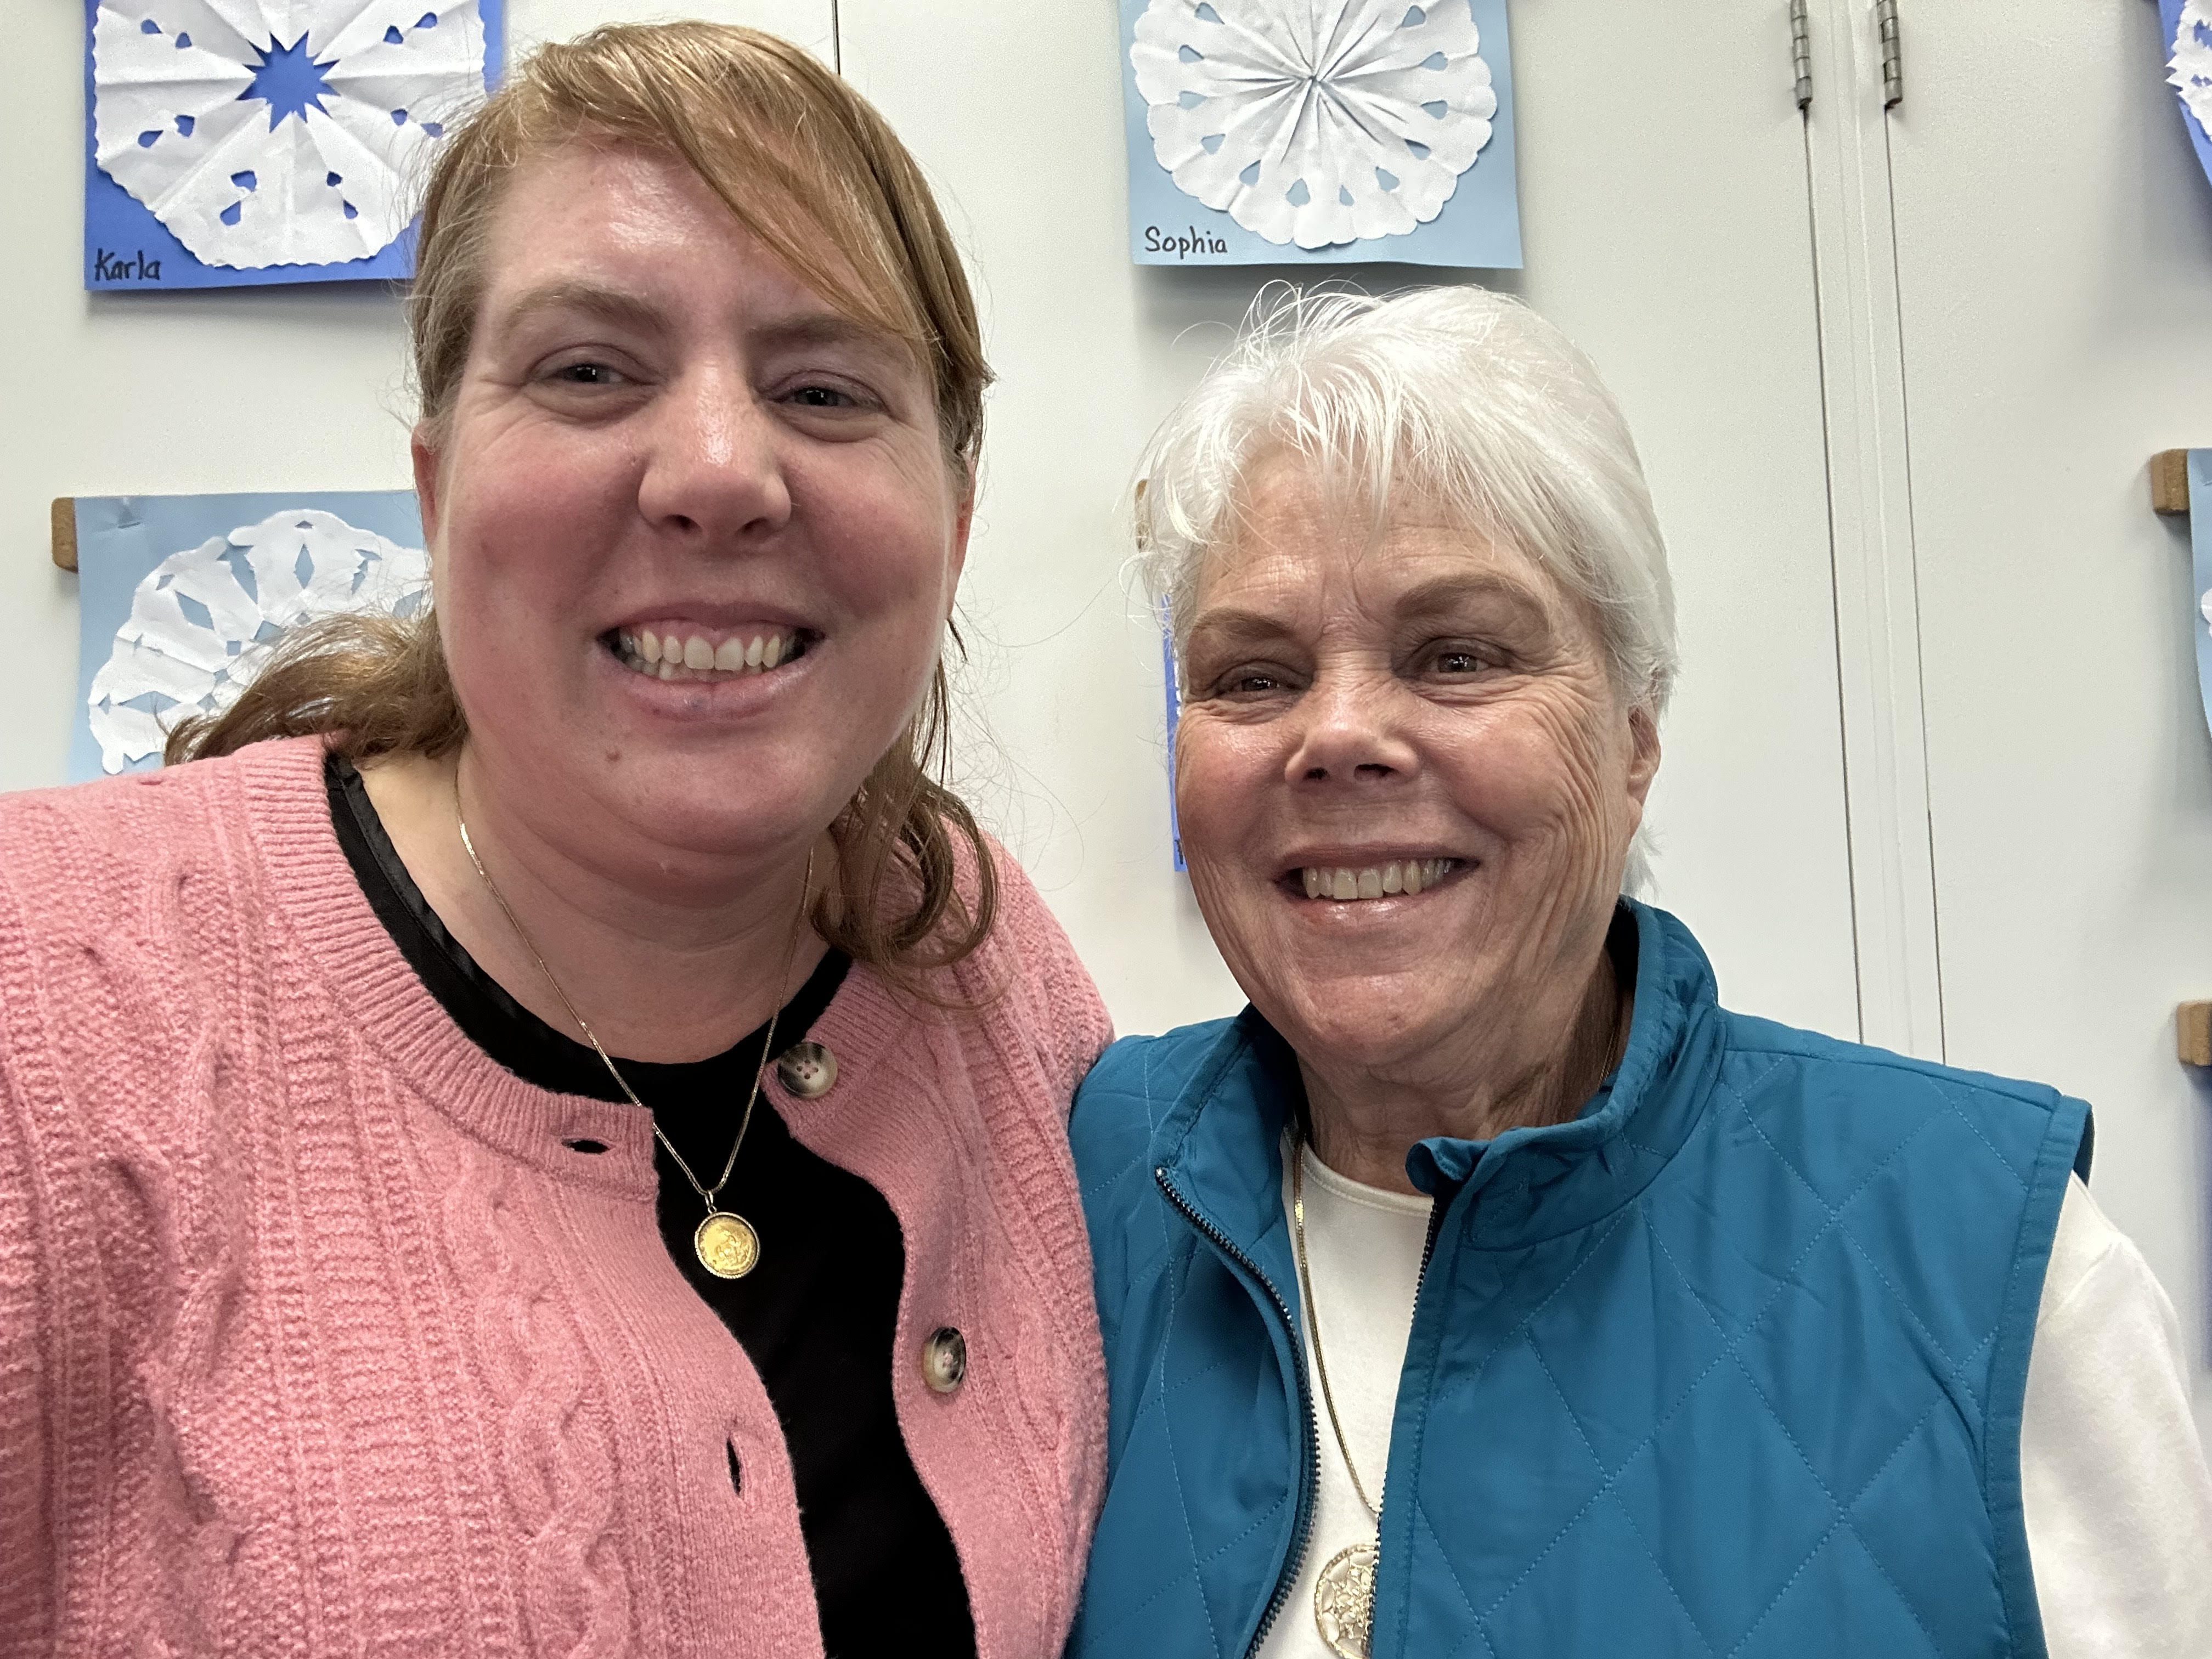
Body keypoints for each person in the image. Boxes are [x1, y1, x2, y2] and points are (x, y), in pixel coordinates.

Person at [0, 25, 1110, 1657]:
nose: (720, 474)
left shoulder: (987, 969)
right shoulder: (50, 999)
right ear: (438, 485)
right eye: (591, 370)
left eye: (823, 387)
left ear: (953, 514)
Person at [1066, 289, 2212, 1659]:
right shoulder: (1077, 1187)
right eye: (1254, 676)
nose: (1342, 736)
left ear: (1633, 738)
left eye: (1459, 656)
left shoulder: (1997, 1265)